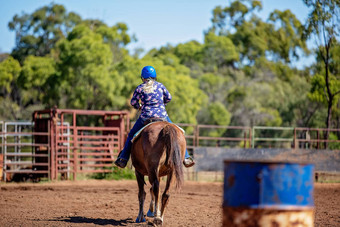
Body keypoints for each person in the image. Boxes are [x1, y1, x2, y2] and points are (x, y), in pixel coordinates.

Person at [114, 66, 195, 168]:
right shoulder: (160, 86)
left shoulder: (140, 88)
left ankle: (123, 159)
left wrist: (139, 106)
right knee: (178, 132)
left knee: (131, 135)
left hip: (146, 117)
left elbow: (133, 102)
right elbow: (169, 98)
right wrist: (161, 104)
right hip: (162, 116)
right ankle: (186, 158)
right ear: (155, 76)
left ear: (142, 77)